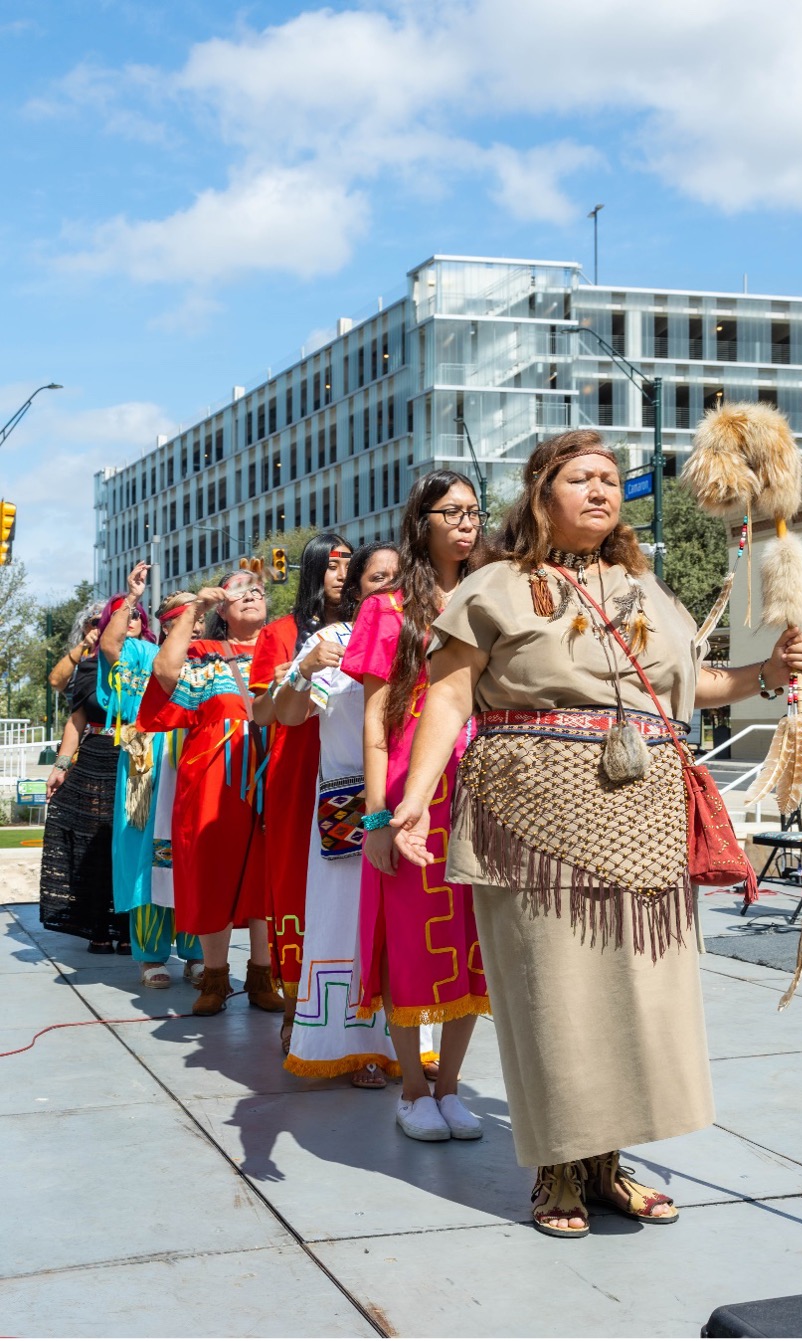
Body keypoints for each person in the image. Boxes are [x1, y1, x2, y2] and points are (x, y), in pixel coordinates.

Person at [391, 429, 802, 1235]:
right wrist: (413, 798)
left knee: (632, 998)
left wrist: (768, 671)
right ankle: (555, 1168)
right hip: (530, 815)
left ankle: (606, 1166)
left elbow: (697, 683)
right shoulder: (492, 586)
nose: (600, 489)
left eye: (611, 477)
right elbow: (449, 697)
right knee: (555, 996)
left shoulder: (648, 592)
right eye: (580, 477)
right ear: (540, 493)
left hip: (643, 819)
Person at [341, 471, 490, 1142]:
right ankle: (410, 1086)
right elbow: (376, 720)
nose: (467, 523)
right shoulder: (388, 608)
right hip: (409, 801)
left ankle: (450, 1084)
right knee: (409, 944)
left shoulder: (496, 599)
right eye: (452, 511)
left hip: (485, 796)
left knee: (474, 944)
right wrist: (375, 816)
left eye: (474, 511)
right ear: (422, 520)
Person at [274, 543, 401, 1087]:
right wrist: (303, 668)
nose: (387, 586)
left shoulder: (422, 638)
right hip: (346, 805)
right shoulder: (331, 642)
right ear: (355, 588)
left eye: (396, 577)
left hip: (408, 801)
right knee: (347, 925)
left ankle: (405, 1042)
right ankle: (353, 1046)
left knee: (401, 928)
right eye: (376, 577)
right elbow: (284, 715)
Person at [137, 571, 283, 1017]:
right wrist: (194, 608)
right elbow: (163, 673)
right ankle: (215, 978)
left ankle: (262, 975)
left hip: (275, 777)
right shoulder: (204, 654)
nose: (252, 594)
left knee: (268, 878)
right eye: (240, 590)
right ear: (221, 607)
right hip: (213, 784)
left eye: (258, 589)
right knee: (211, 875)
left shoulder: (286, 649)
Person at [251, 535, 352, 1053]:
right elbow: (262, 712)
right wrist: (303, 666)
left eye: (349, 565)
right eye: (332, 566)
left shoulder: (377, 628)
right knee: (295, 886)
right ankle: (296, 1008)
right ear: (313, 572)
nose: (342, 574)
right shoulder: (280, 634)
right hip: (297, 770)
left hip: (357, 767)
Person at [98, 567, 205, 989]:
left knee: (194, 858)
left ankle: (198, 955)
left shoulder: (212, 656)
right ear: (170, 624)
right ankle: (150, 956)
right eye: (189, 617)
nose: (197, 624)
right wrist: (131, 597)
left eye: (199, 618)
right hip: (150, 768)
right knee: (149, 859)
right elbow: (110, 644)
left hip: (198, 766)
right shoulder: (144, 656)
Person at [39, 592, 156, 953]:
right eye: (123, 613)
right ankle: (99, 927)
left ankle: (131, 927)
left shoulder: (158, 661)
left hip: (143, 759)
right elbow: (76, 721)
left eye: (138, 614)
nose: (132, 618)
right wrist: (61, 766)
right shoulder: (91, 666)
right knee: (97, 844)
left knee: (135, 843)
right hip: (95, 760)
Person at [47, 600, 105, 698]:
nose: (102, 627)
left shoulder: (124, 655)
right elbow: (55, 681)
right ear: (84, 628)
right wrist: (84, 645)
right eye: (97, 622)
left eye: (107, 622)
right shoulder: (79, 660)